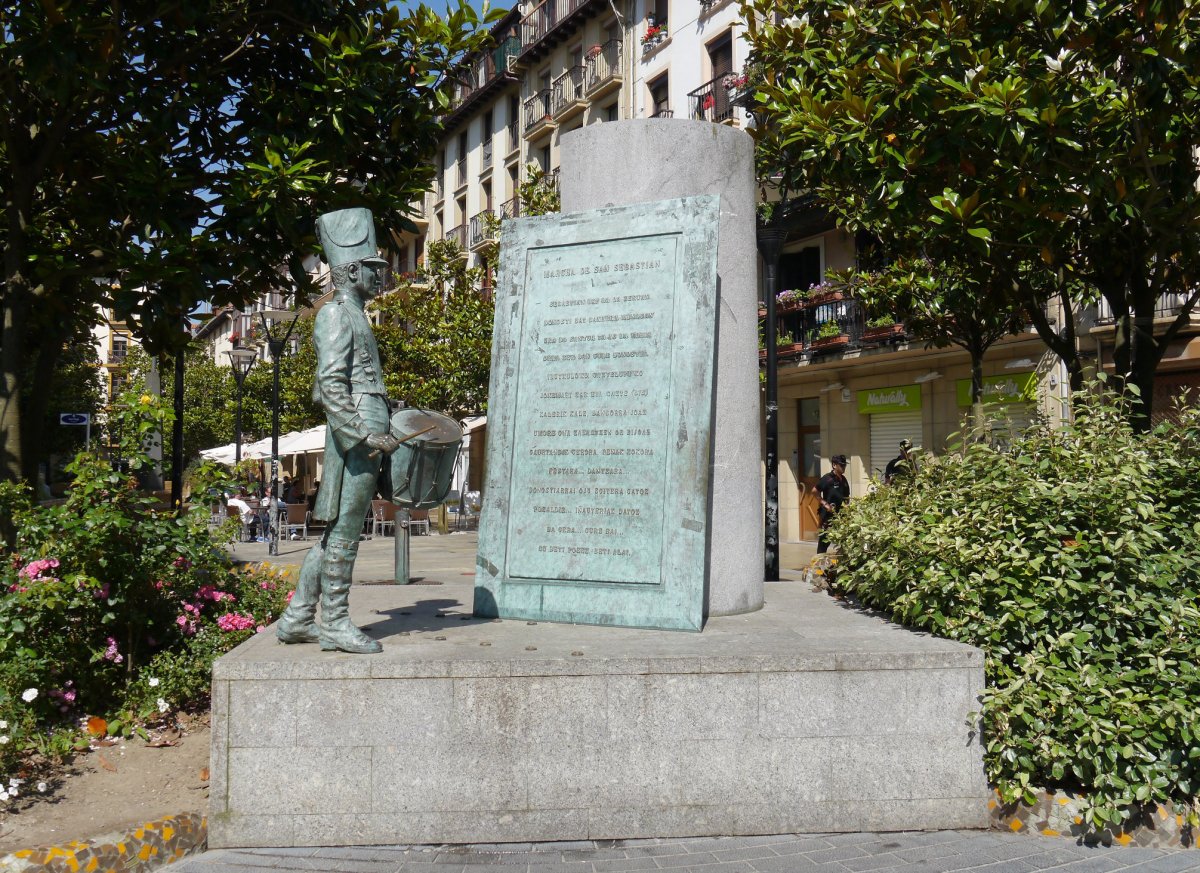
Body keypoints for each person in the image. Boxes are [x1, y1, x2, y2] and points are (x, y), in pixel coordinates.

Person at [274, 207, 400, 655]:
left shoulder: (358, 314)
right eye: (373, 269)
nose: (380, 276)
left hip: (368, 419)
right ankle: (335, 623)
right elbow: (331, 383)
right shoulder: (335, 314)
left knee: (336, 532)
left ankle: (296, 618)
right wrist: (364, 434)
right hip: (358, 430)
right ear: (349, 270)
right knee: (347, 529)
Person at [815, 453, 850, 554]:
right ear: (834, 465)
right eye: (841, 465)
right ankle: (819, 567)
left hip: (841, 517)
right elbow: (814, 491)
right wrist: (825, 504)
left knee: (844, 542)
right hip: (828, 517)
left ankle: (839, 566)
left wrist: (847, 507)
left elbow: (847, 497)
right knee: (823, 543)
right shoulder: (827, 479)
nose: (844, 467)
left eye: (845, 465)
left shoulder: (844, 480)